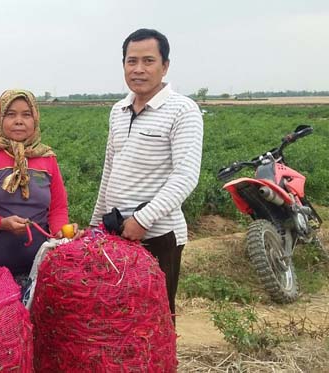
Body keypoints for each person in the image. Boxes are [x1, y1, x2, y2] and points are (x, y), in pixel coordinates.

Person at [89, 28, 204, 319]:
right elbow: (109, 170)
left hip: (158, 236)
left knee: (154, 323)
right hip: (115, 234)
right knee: (120, 318)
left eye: (148, 61)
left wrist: (142, 219)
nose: (139, 69)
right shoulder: (118, 110)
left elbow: (186, 175)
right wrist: (93, 227)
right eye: (132, 61)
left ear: (165, 66)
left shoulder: (183, 110)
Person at [0, 89, 81, 292]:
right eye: (11, 114)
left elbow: (57, 208)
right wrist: (1, 224)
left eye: (26, 114)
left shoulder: (46, 158)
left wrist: (61, 232)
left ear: (35, 119)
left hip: (39, 269)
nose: (19, 121)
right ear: (0, 118)